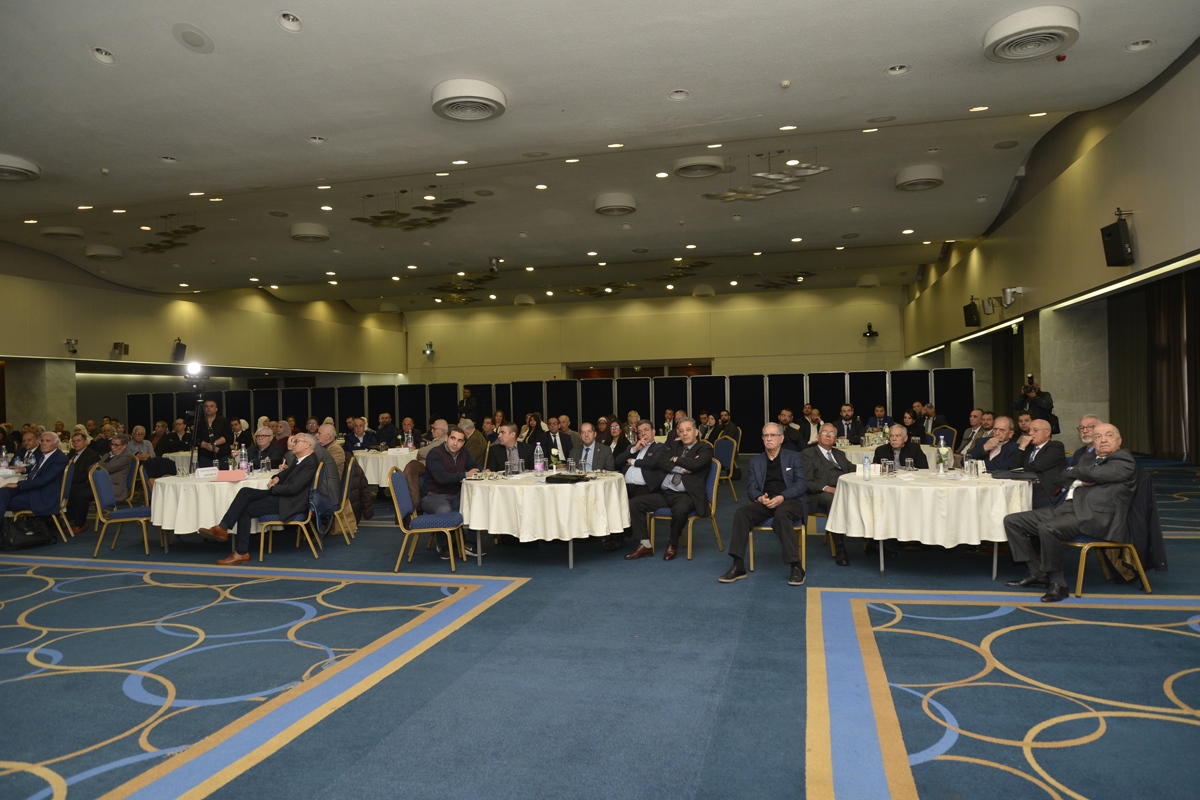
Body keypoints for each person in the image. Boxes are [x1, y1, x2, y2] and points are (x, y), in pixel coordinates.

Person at [1002, 423, 1135, 603]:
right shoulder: (1088, 459)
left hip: (1095, 516)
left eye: (1109, 435)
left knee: (1048, 528)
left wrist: (1076, 473)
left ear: (1119, 440)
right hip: (1066, 509)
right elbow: (1060, 477)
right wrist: (1080, 477)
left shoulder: (1124, 459)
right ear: (1093, 442)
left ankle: (1059, 583)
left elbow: (1098, 474)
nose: (1103, 440)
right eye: (1098, 437)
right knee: (1012, 521)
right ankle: (1037, 573)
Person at [199, 433, 320, 565]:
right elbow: (287, 473)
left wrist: (273, 489)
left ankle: (240, 552)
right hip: (284, 497)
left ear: (307, 445)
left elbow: (293, 488)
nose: (293, 444)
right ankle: (222, 528)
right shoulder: (302, 460)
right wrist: (277, 477)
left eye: (296, 441)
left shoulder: (310, 462)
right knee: (245, 492)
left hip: (290, 503)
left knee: (245, 510)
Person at [719, 423, 808, 586]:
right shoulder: (755, 461)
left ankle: (796, 566)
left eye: (773, 435)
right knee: (741, 513)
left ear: (781, 438)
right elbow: (751, 488)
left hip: (790, 501)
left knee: (782, 514)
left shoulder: (793, 457)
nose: (769, 438)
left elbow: (801, 484)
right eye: (766, 435)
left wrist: (782, 496)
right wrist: (760, 498)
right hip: (766, 502)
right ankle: (738, 565)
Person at [625, 418, 713, 561]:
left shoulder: (705, 448)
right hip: (666, 492)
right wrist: (681, 468)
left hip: (687, 494)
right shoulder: (674, 445)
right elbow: (661, 462)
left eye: (688, 430)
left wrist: (675, 459)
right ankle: (645, 544)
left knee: (680, 510)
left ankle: (673, 542)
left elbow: (696, 464)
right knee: (635, 503)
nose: (684, 434)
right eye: (681, 431)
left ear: (696, 432)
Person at [800, 424, 854, 565]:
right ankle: (840, 548)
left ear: (836, 439)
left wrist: (871, 467)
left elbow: (852, 469)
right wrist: (826, 488)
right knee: (834, 499)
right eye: (825, 432)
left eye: (832, 433)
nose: (828, 435)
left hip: (842, 490)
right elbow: (806, 482)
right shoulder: (808, 454)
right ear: (818, 436)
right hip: (818, 494)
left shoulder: (840, 454)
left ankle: (873, 542)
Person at [0, 432, 69, 522]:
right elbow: (38, 468)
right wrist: (24, 469)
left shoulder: (59, 459)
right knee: (4, 491)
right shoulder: (46, 455)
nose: (43, 443)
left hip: (42, 496)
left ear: (56, 444)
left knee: (2, 500)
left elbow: (43, 480)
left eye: (48, 441)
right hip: (33, 489)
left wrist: (19, 484)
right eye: (42, 441)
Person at [1000, 418, 1067, 508]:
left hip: (1044, 489)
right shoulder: (1028, 448)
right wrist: (1022, 447)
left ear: (1047, 433)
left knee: (1014, 504)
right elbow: (1014, 467)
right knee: (1002, 499)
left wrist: (1022, 469)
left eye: (1035, 430)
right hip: (1024, 486)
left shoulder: (1055, 446)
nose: (1031, 433)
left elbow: (1038, 466)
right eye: (1029, 430)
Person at [420, 427, 480, 515]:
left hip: (455, 495)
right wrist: (466, 474)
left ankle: (468, 525)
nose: (455, 443)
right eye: (453, 438)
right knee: (444, 510)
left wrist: (483, 471)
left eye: (459, 440)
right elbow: (441, 477)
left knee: (478, 504)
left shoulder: (464, 452)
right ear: (446, 438)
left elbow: (474, 466)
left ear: (463, 443)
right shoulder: (435, 453)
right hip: (433, 495)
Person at [64, 431, 100, 533]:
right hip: (73, 482)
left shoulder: (92, 455)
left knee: (76, 493)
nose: (75, 443)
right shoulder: (71, 453)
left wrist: (68, 480)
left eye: (78, 441)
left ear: (85, 442)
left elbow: (85, 475)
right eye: (73, 441)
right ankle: (63, 520)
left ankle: (80, 523)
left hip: (87, 484)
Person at [194, 399, 233, 468]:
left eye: (211, 406)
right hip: (205, 456)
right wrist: (207, 446)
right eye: (206, 406)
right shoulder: (199, 422)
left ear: (216, 409)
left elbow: (228, 436)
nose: (208, 408)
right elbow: (195, 439)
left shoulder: (224, 420)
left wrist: (213, 444)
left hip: (223, 455)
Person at [98, 434, 135, 502]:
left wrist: (98, 465)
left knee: (82, 494)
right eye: (111, 444)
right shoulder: (107, 455)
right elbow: (91, 467)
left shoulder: (126, 457)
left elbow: (110, 467)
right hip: (101, 483)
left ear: (124, 446)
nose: (112, 447)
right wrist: (98, 466)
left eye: (116, 445)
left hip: (115, 487)